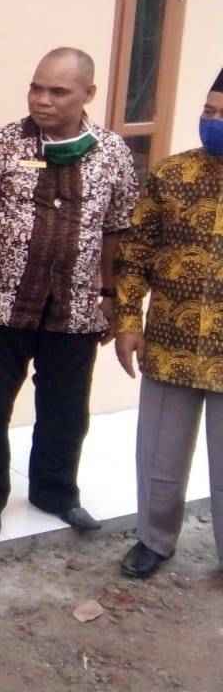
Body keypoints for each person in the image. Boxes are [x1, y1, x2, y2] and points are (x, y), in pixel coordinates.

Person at [0, 47, 137, 536]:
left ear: (88, 94)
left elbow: (117, 229)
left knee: (66, 410)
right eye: (36, 88)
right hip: (1, 304)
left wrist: (110, 295)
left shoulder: (113, 154)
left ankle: (55, 492)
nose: (42, 99)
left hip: (75, 309)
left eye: (58, 91)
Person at [112, 69, 223, 580]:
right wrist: (127, 320)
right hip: (169, 342)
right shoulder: (171, 174)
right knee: (159, 454)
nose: (213, 122)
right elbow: (135, 254)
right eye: (209, 112)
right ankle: (153, 540)